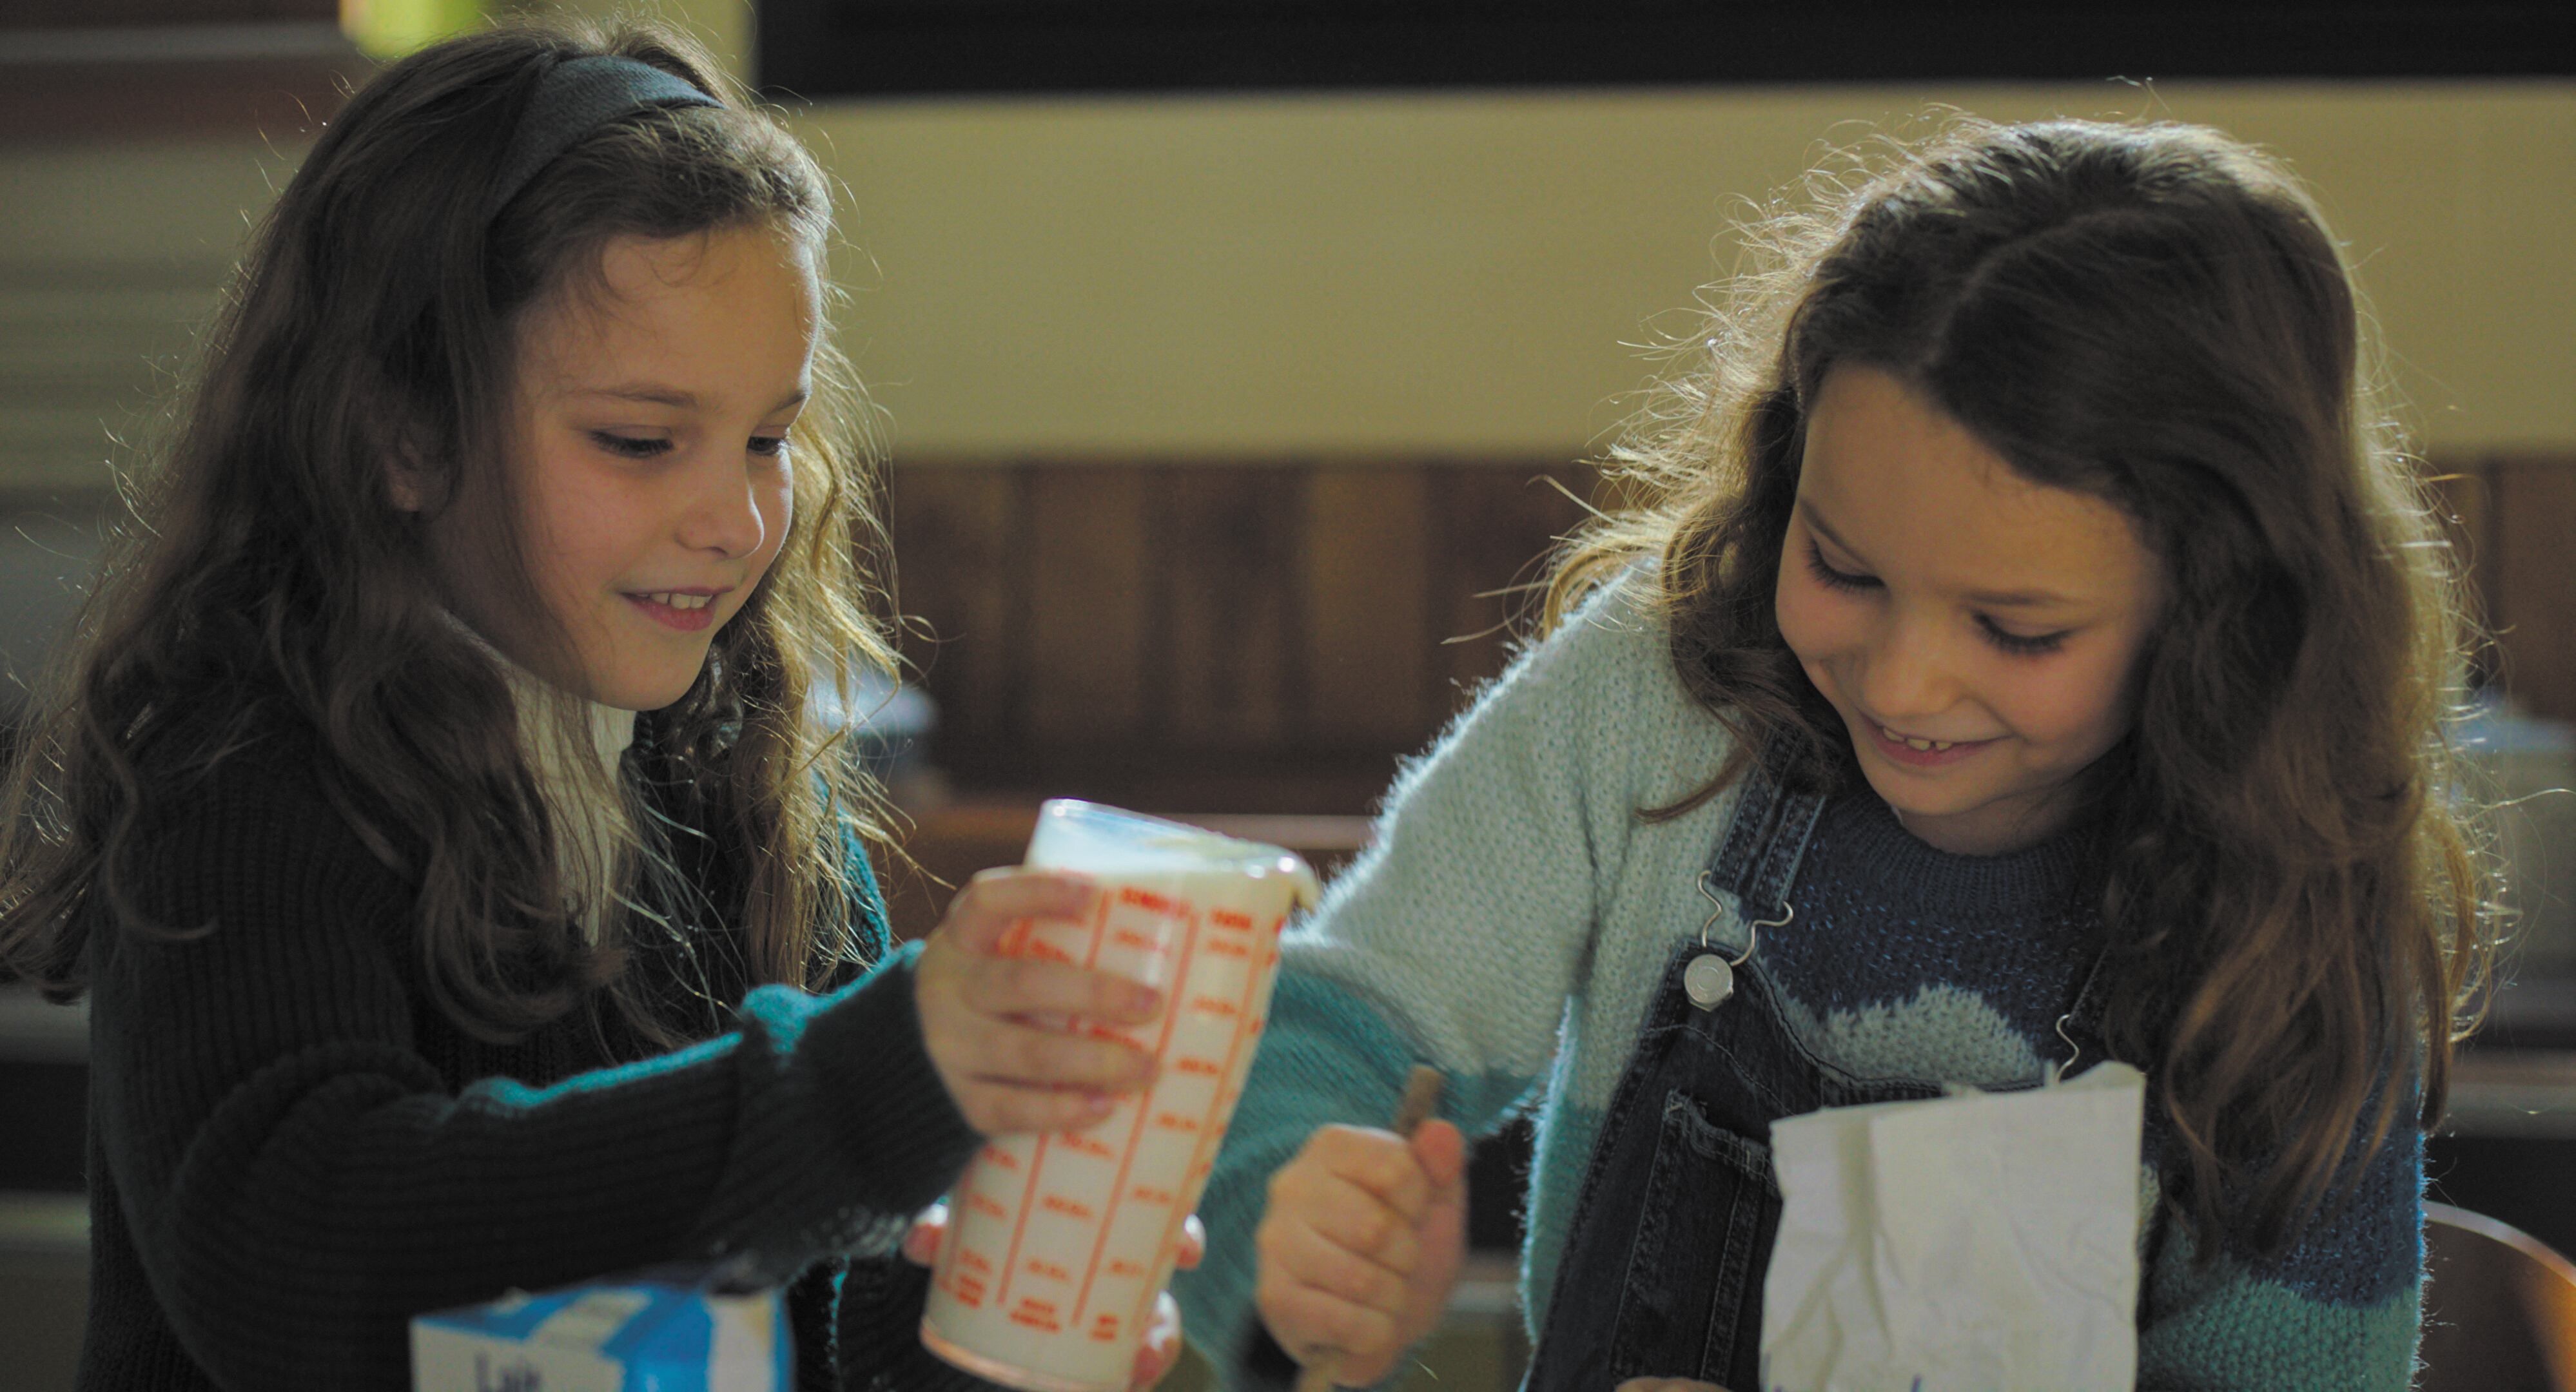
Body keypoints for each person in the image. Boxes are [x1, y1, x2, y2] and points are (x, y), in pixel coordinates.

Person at [1178, 117, 2493, 1391]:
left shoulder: (2302, 926)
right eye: (1843, 568)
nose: (1905, 679)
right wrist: (1293, 1217)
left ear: (2220, 615)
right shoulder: (1658, 698)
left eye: (2015, 629)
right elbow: (1334, 1025)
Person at [0, 21, 1189, 1391]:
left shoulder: (757, 808)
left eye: (767, 438)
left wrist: (998, 1322)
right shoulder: (252, 788)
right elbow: (309, 1259)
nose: (738, 518)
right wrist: (864, 1086)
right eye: (639, 442)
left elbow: (819, 1328)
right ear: (408, 432)